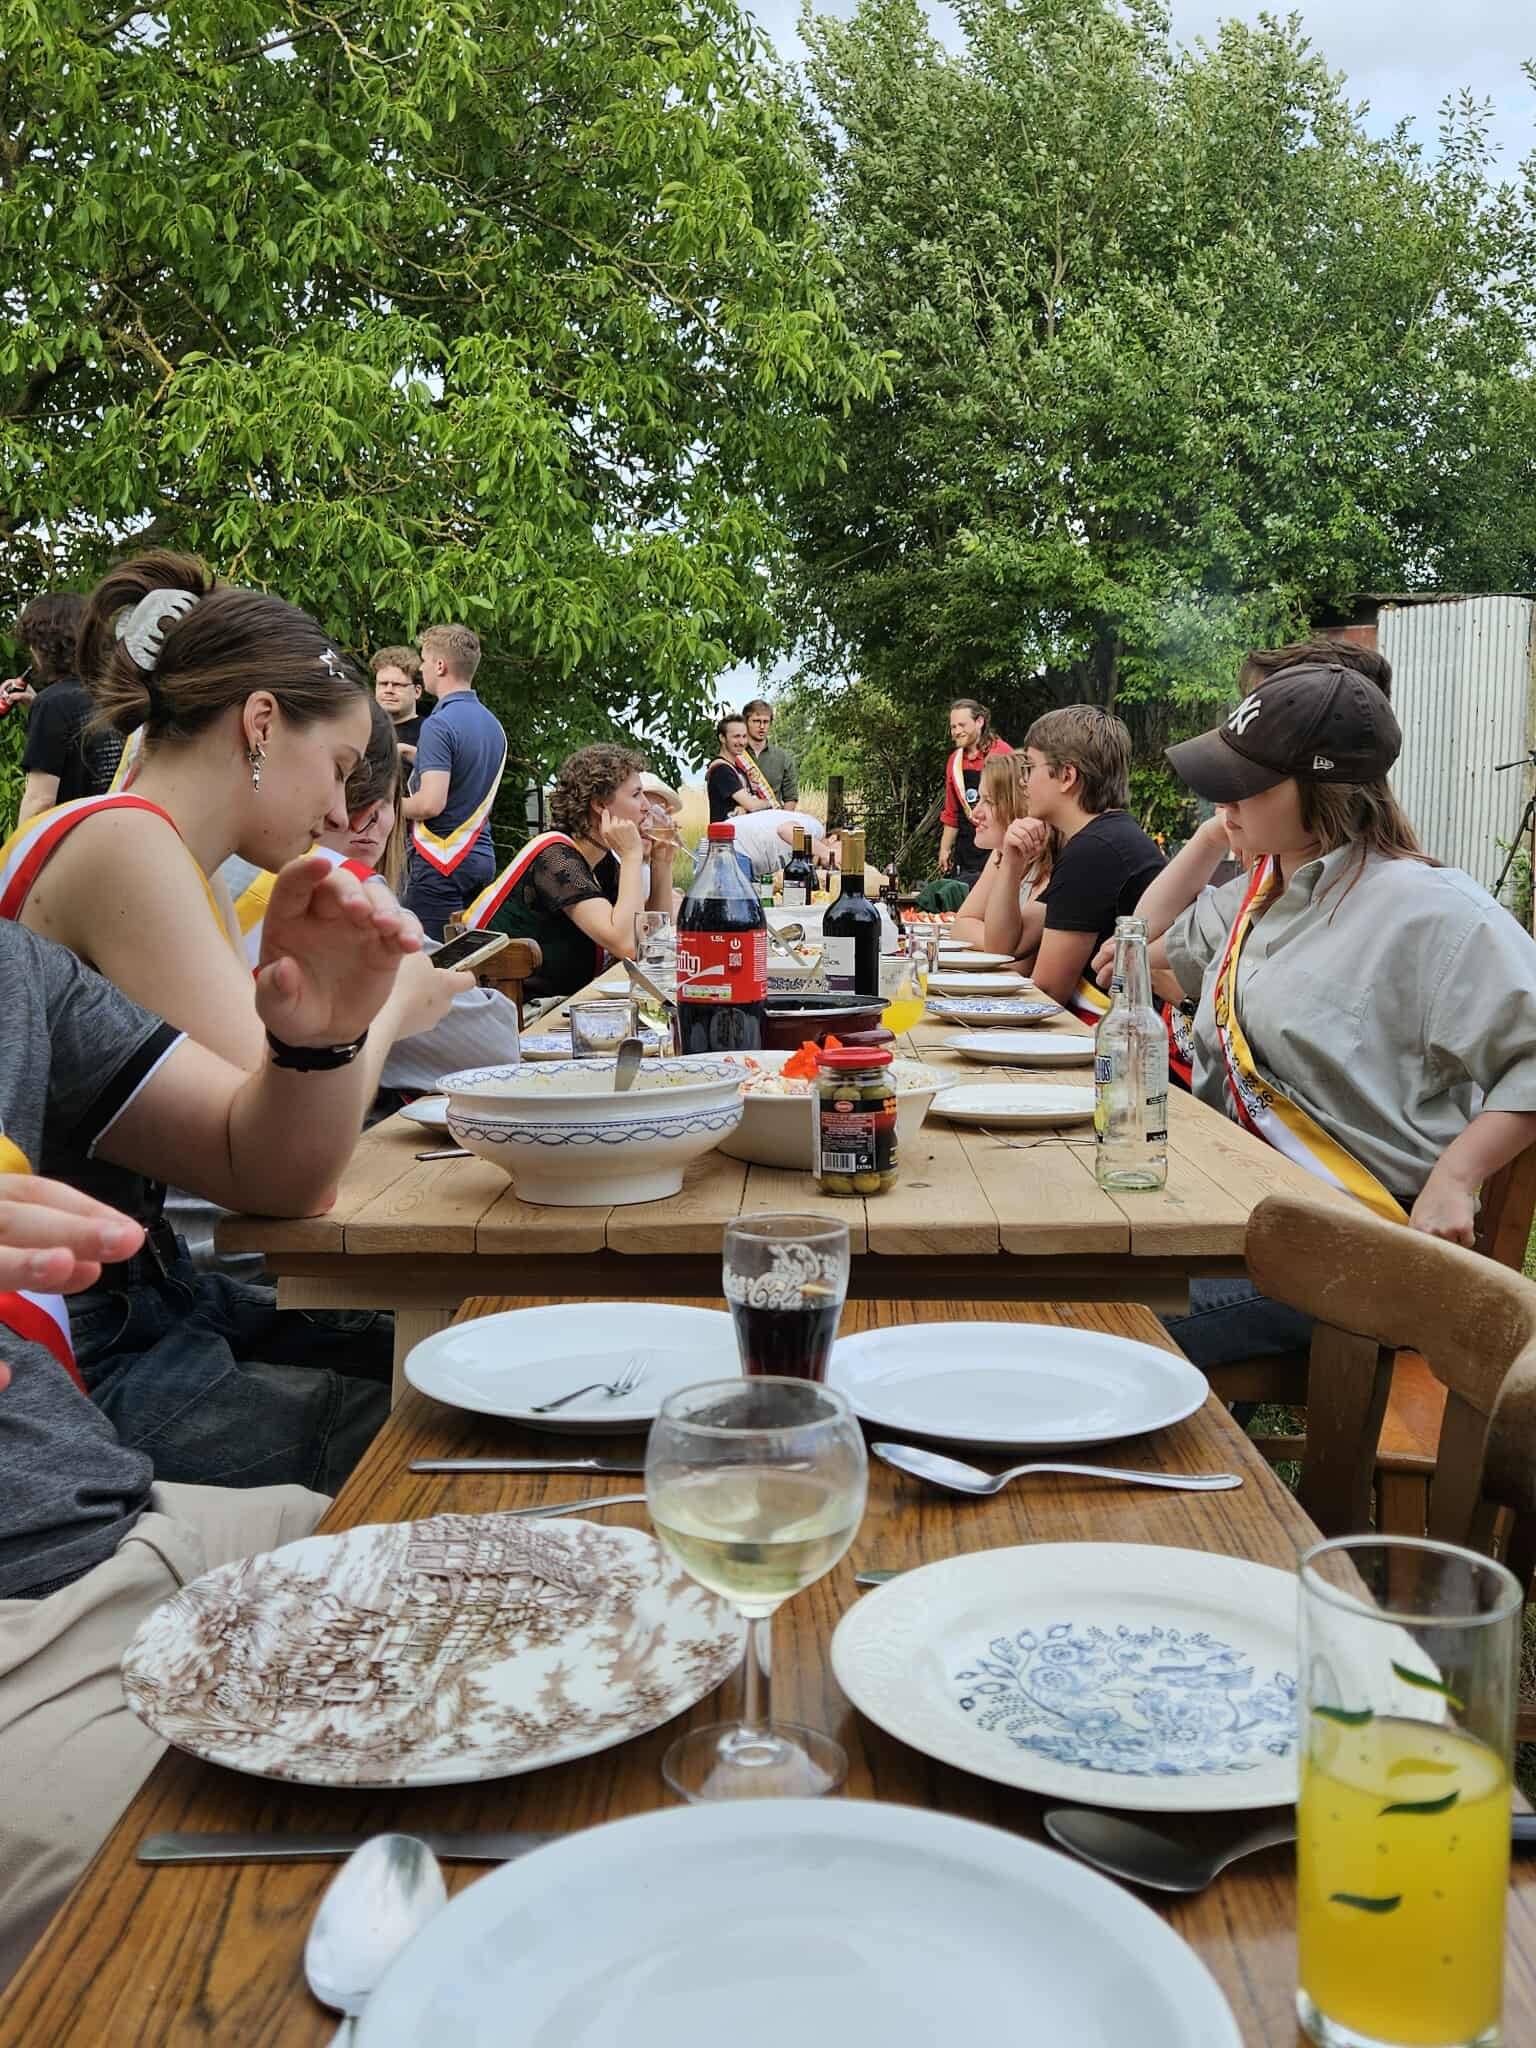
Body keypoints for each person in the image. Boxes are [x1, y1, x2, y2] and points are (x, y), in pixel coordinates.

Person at [0, 857, 425, 1987]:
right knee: (302, 1942)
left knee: (579, 1585)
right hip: (25, 1627)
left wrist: (320, 1043)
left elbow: (267, 1172)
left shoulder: (12, 973)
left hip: (139, 1523)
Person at [0, 549, 470, 1488]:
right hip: (86, 1342)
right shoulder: (125, 845)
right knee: (458, 1421)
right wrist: (388, 1008)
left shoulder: (150, 851)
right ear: (260, 724)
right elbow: (287, 1163)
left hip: (153, 1298)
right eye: (337, 768)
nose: (336, 808)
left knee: (458, 1345)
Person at [1148, 660, 1536, 1370]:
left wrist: (1457, 1176)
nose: (1224, 803)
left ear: (1322, 790)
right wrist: (1213, 844)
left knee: (1102, 1317)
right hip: (1230, 1209)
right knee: (1058, 1274)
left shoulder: (1434, 911)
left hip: (1357, 1244)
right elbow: (1133, 953)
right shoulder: (1259, 892)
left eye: (1246, 784)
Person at [236, 700, 521, 1094]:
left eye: (383, 802)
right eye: (342, 781)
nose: (351, 817)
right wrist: (404, 999)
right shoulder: (343, 896)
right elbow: (494, 1043)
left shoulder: (215, 870)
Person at [989, 706, 1165, 1019]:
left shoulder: (1095, 850)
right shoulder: (1103, 838)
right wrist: (1011, 864)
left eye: (1029, 767)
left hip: (1120, 1038)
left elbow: (1047, 994)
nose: (1023, 782)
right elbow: (1002, 948)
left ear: (1067, 776)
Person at [460, 744, 673, 999]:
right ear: (599, 804)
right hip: (514, 1011)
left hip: (559, 1005)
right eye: (637, 794)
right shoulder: (555, 858)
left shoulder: (602, 862)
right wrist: (631, 855)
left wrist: (662, 863)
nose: (646, 806)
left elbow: (652, 943)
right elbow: (628, 945)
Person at [400, 624, 508, 940]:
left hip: (440, 863)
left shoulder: (438, 724)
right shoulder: (493, 725)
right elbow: (465, 772)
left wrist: (383, 805)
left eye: (423, 660)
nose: (420, 668)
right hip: (480, 858)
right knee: (469, 957)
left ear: (440, 665)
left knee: (432, 958)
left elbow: (430, 804)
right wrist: (415, 755)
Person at [6, 593, 123, 824]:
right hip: (117, 830)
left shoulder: (54, 703)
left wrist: (20, 846)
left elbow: (40, 801)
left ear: (45, 645)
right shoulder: (118, 694)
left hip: (72, 837)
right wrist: (39, 705)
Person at [948, 752, 1053, 953]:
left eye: (989, 801)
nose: (975, 813)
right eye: (979, 799)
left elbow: (1021, 963)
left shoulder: (1050, 867)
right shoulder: (1000, 855)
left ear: (1019, 806)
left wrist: (994, 944)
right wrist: (993, 943)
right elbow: (961, 924)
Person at [937, 699, 1012, 885]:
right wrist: (945, 849)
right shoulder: (954, 761)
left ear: (979, 722)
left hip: (997, 845)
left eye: (962, 725)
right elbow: (952, 812)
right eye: (953, 727)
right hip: (966, 849)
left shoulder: (1002, 754)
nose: (956, 731)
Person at [370, 644, 427, 761]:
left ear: (417, 691)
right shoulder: (364, 730)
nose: (388, 690)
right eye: (383, 684)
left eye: (397, 685)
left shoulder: (431, 732)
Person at [743, 698, 798, 806]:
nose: (762, 726)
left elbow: (791, 797)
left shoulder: (783, 758)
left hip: (773, 815)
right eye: (756, 721)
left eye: (766, 722)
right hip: (741, 815)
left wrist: (783, 817)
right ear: (745, 722)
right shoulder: (735, 755)